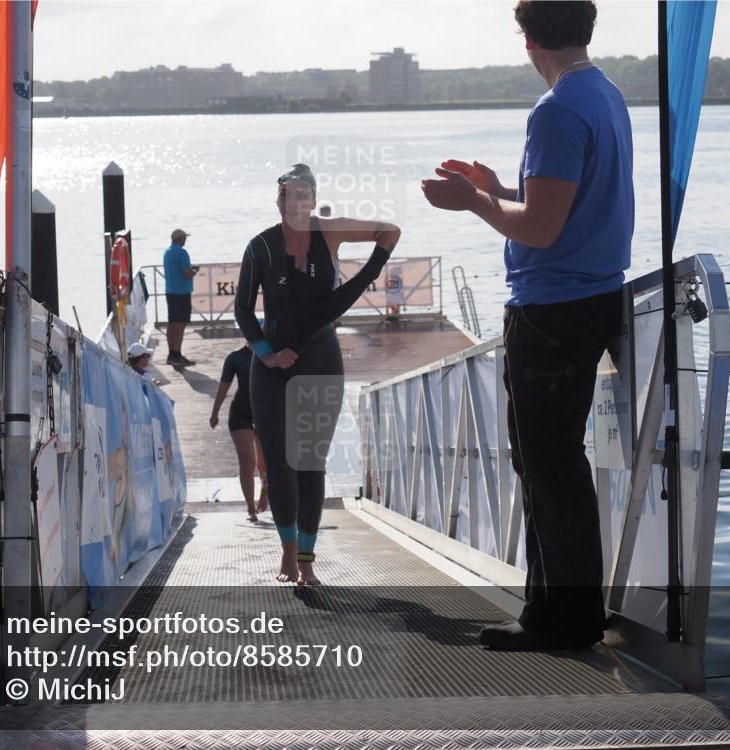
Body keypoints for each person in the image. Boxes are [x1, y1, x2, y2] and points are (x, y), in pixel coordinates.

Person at [421, 0, 632, 650]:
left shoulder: (557, 110)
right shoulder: (606, 95)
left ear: (528, 38)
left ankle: (560, 621)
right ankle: (558, 612)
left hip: (551, 311)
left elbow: (541, 230)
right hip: (591, 298)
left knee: (546, 463)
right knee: (556, 462)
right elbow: (563, 207)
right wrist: (501, 186)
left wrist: (475, 201)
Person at [235, 163, 401, 585]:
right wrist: (266, 354)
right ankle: (287, 555)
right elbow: (242, 310)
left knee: (310, 463)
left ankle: (307, 559)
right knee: (278, 463)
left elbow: (391, 231)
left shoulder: (331, 231)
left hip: (321, 361)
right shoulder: (261, 246)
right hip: (271, 369)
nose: (294, 203)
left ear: (312, 200)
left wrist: (369, 272)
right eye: (287, 196)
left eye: (302, 196)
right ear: (278, 201)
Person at [210, 344, 268, 523]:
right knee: (247, 461)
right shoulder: (235, 358)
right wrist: (215, 412)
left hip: (265, 412)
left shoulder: (272, 355)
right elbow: (224, 386)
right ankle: (251, 508)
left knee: (264, 465)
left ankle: (264, 493)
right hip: (240, 413)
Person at [163, 228, 199, 366]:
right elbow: (187, 273)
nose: (185, 240)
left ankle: (171, 353)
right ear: (180, 239)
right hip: (181, 293)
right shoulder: (182, 252)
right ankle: (177, 354)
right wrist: (194, 270)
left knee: (172, 322)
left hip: (170, 291)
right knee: (180, 323)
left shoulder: (167, 252)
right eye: (184, 238)